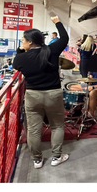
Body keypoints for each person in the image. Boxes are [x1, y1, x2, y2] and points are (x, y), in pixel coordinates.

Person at [14, 20, 69, 169]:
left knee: (33, 130)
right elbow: (64, 38)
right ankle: (56, 157)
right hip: (54, 94)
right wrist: (57, 22)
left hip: (33, 96)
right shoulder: (51, 50)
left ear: (30, 42)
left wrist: (20, 50)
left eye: (23, 41)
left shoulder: (21, 58)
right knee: (57, 126)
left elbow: (16, 63)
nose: (21, 43)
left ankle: (37, 160)